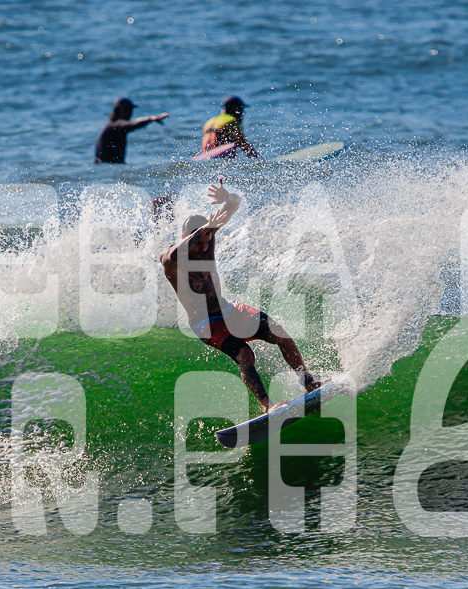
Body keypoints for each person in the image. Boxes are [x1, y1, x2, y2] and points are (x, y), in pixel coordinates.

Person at [160, 181, 319, 412]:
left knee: (280, 334)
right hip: (205, 322)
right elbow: (171, 255)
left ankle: (310, 384)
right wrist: (204, 231)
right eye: (198, 243)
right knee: (245, 354)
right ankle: (268, 406)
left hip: (227, 309)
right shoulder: (172, 260)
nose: (203, 248)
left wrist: (228, 197)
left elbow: (234, 204)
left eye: (206, 242)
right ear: (185, 237)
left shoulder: (207, 236)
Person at [94, 98, 168, 163]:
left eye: (131, 109)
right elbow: (133, 124)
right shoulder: (115, 125)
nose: (130, 112)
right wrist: (150, 119)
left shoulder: (113, 125)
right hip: (108, 168)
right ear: (118, 110)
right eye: (127, 109)